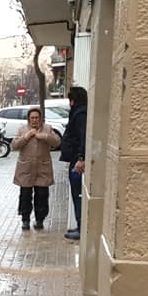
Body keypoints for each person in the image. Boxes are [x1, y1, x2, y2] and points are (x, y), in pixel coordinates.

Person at [12, 108, 61, 230]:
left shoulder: (48, 128)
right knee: (25, 196)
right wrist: (26, 137)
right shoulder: (22, 129)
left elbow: (57, 142)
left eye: (37, 117)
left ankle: (40, 219)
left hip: (42, 168)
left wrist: (44, 136)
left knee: (42, 195)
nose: (34, 120)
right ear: (29, 119)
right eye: (32, 118)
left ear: (40, 118)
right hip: (26, 168)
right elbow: (14, 145)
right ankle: (25, 219)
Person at [59, 87, 88, 240]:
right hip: (75, 158)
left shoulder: (80, 114)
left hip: (77, 161)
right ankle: (79, 225)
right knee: (77, 194)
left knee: (78, 194)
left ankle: (81, 226)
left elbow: (83, 136)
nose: (70, 103)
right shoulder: (79, 113)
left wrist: (81, 158)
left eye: (71, 100)